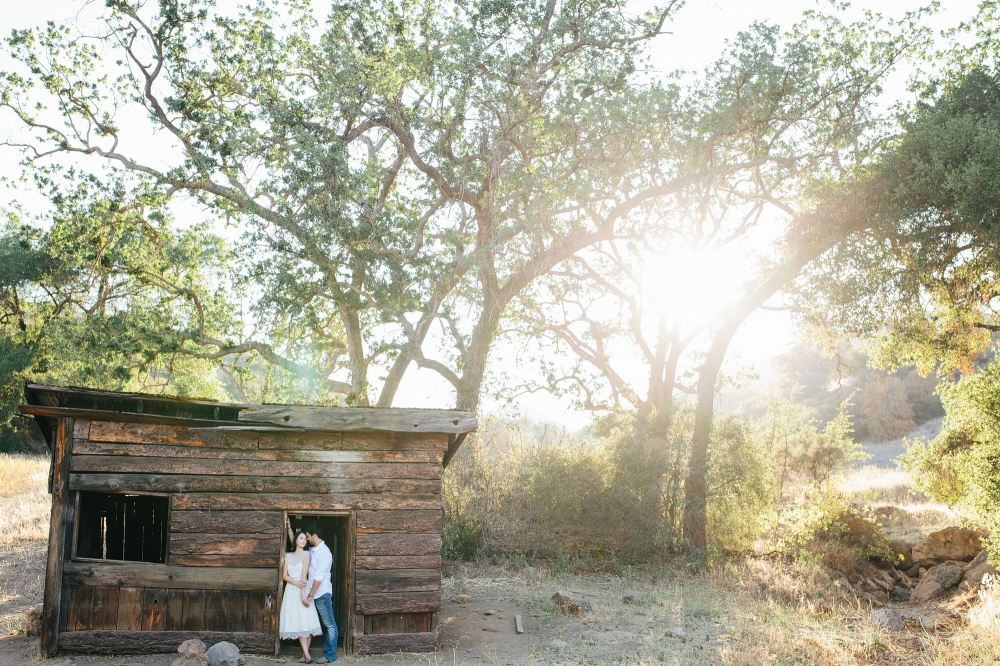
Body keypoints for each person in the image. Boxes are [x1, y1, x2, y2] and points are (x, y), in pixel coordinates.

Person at [279, 531, 323, 663]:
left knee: (306, 622)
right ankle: (306, 654)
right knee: (297, 621)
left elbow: (304, 576)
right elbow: (284, 576)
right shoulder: (287, 555)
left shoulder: (306, 554)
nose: (304, 541)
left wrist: (303, 593)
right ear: (296, 540)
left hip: (303, 588)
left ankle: (306, 655)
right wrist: (295, 582)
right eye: (301, 538)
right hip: (291, 589)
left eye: (305, 539)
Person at [304, 522, 337, 664]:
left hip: (321, 594)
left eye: (307, 537)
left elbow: (319, 578)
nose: (307, 539)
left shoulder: (324, 553)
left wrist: (310, 595)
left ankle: (329, 656)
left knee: (329, 625)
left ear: (314, 535)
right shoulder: (314, 550)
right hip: (314, 594)